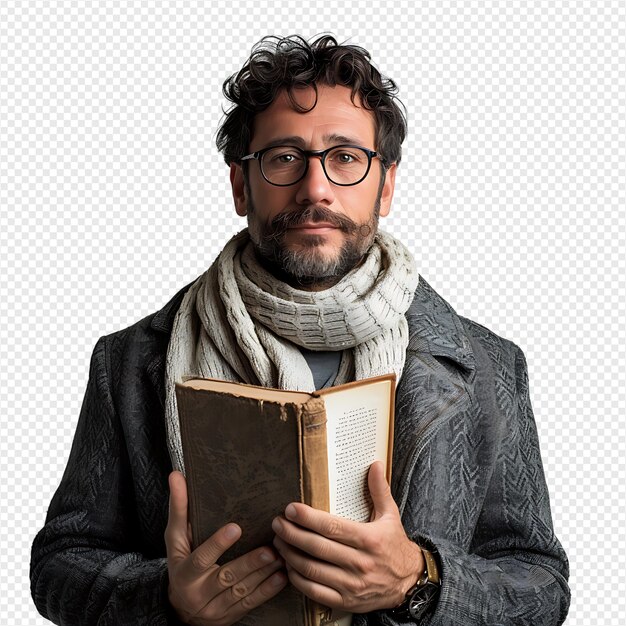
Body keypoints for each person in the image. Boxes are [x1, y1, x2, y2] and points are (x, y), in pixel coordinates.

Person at [30, 35, 570, 625]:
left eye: (345, 158)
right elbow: (61, 563)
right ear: (242, 184)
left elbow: (541, 585)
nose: (315, 190)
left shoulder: (490, 365)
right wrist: (164, 597)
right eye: (284, 157)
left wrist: (419, 581)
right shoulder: (130, 361)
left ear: (385, 184)